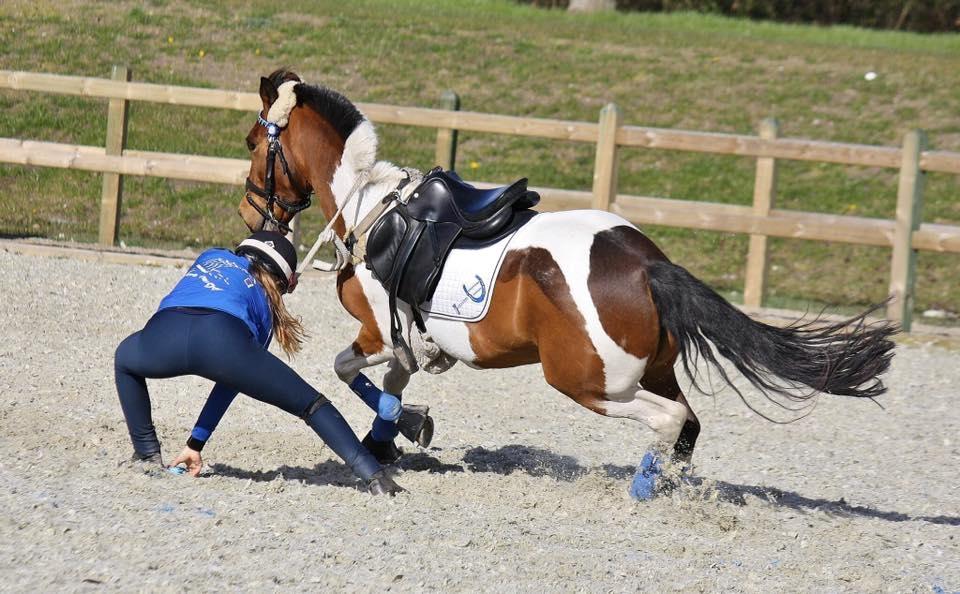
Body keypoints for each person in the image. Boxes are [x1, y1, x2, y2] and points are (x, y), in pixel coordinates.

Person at [114, 230, 402, 495]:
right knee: (311, 404)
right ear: (280, 282)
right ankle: (373, 475)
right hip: (222, 340)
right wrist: (196, 441)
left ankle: (146, 454)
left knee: (125, 360)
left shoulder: (211, 255)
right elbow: (231, 380)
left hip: (165, 333)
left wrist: (194, 446)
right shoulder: (265, 300)